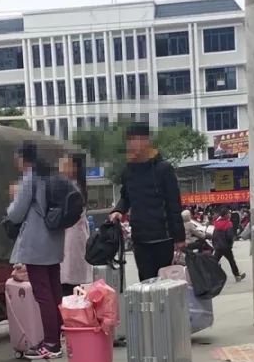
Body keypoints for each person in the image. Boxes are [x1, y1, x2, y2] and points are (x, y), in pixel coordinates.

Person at [7, 142, 65, 359]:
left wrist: (11, 204)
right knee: (55, 291)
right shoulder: (53, 174)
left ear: (23, 158)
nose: (16, 163)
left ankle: (51, 343)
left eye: (17, 158)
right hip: (55, 241)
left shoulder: (31, 178)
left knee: (43, 295)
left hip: (37, 245)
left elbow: (15, 213)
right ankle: (58, 336)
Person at [109, 122, 185, 281]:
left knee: (164, 284)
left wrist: (179, 238)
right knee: (145, 283)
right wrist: (118, 210)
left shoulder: (164, 169)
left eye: (134, 140)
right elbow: (125, 197)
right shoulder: (129, 171)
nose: (130, 144)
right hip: (140, 238)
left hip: (163, 237)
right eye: (129, 141)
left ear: (146, 141)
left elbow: (174, 204)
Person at [59, 153, 92, 297]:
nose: (60, 164)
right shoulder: (74, 186)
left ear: (73, 167)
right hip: (71, 239)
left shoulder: (72, 189)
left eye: (64, 162)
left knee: (71, 282)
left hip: (72, 241)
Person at [212, 206, 246, 282]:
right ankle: (237, 276)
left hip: (218, 247)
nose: (230, 215)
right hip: (226, 247)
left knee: (214, 262)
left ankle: (209, 276)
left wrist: (215, 245)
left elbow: (214, 236)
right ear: (226, 215)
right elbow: (230, 236)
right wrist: (230, 245)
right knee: (231, 261)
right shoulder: (228, 224)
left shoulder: (216, 224)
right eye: (229, 213)